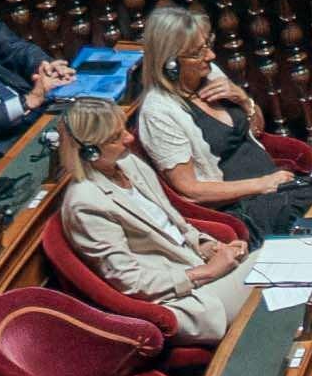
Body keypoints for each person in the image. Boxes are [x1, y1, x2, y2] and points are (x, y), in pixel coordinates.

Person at [49, 93, 249, 349]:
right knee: (272, 270)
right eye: (115, 137)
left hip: (201, 270)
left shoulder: (129, 162)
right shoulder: (85, 203)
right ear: (90, 151)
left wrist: (208, 246)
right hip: (185, 302)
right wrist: (206, 272)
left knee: (278, 265)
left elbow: (172, 222)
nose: (129, 139)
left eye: (124, 129)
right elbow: (130, 282)